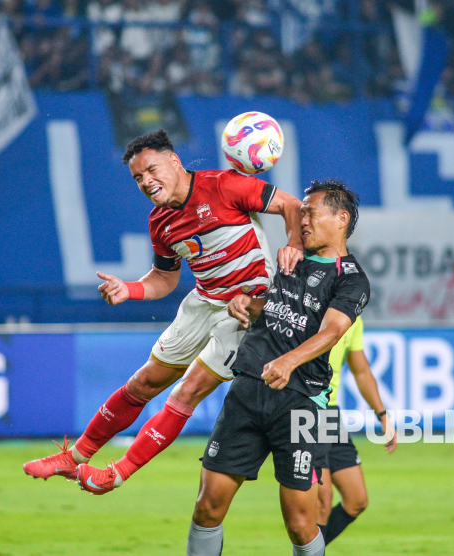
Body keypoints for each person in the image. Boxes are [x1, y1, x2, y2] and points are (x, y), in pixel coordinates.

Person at [23, 129, 304, 491]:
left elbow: (292, 205)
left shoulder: (224, 186)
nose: (146, 181)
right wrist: (130, 289)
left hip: (247, 311)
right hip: (204, 302)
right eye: (138, 177)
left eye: (152, 170)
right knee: (142, 383)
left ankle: (117, 473)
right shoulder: (161, 222)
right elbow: (164, 278)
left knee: (187, 391)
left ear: (175, 161)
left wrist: (294, 244)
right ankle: (73, 457)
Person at [187, 179, 370, 556]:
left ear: (341, 218)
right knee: (207, 506)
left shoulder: (352, 279)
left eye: (311, 211)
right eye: (300, 211)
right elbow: (271, 310)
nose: (302, 218)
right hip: (249, 388)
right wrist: (245, 305)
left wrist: (289, 361)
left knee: (301, 524)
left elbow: (332, 331)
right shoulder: (291, 258)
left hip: (302, 405)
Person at [317, 316, 397, 546]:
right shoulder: (309, 303)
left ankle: (306, 551)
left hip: (329, 415)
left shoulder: (352, 317)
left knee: (356, 500)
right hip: (305, 410)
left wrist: (382, 415)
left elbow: (361, 371)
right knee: (322, 498)